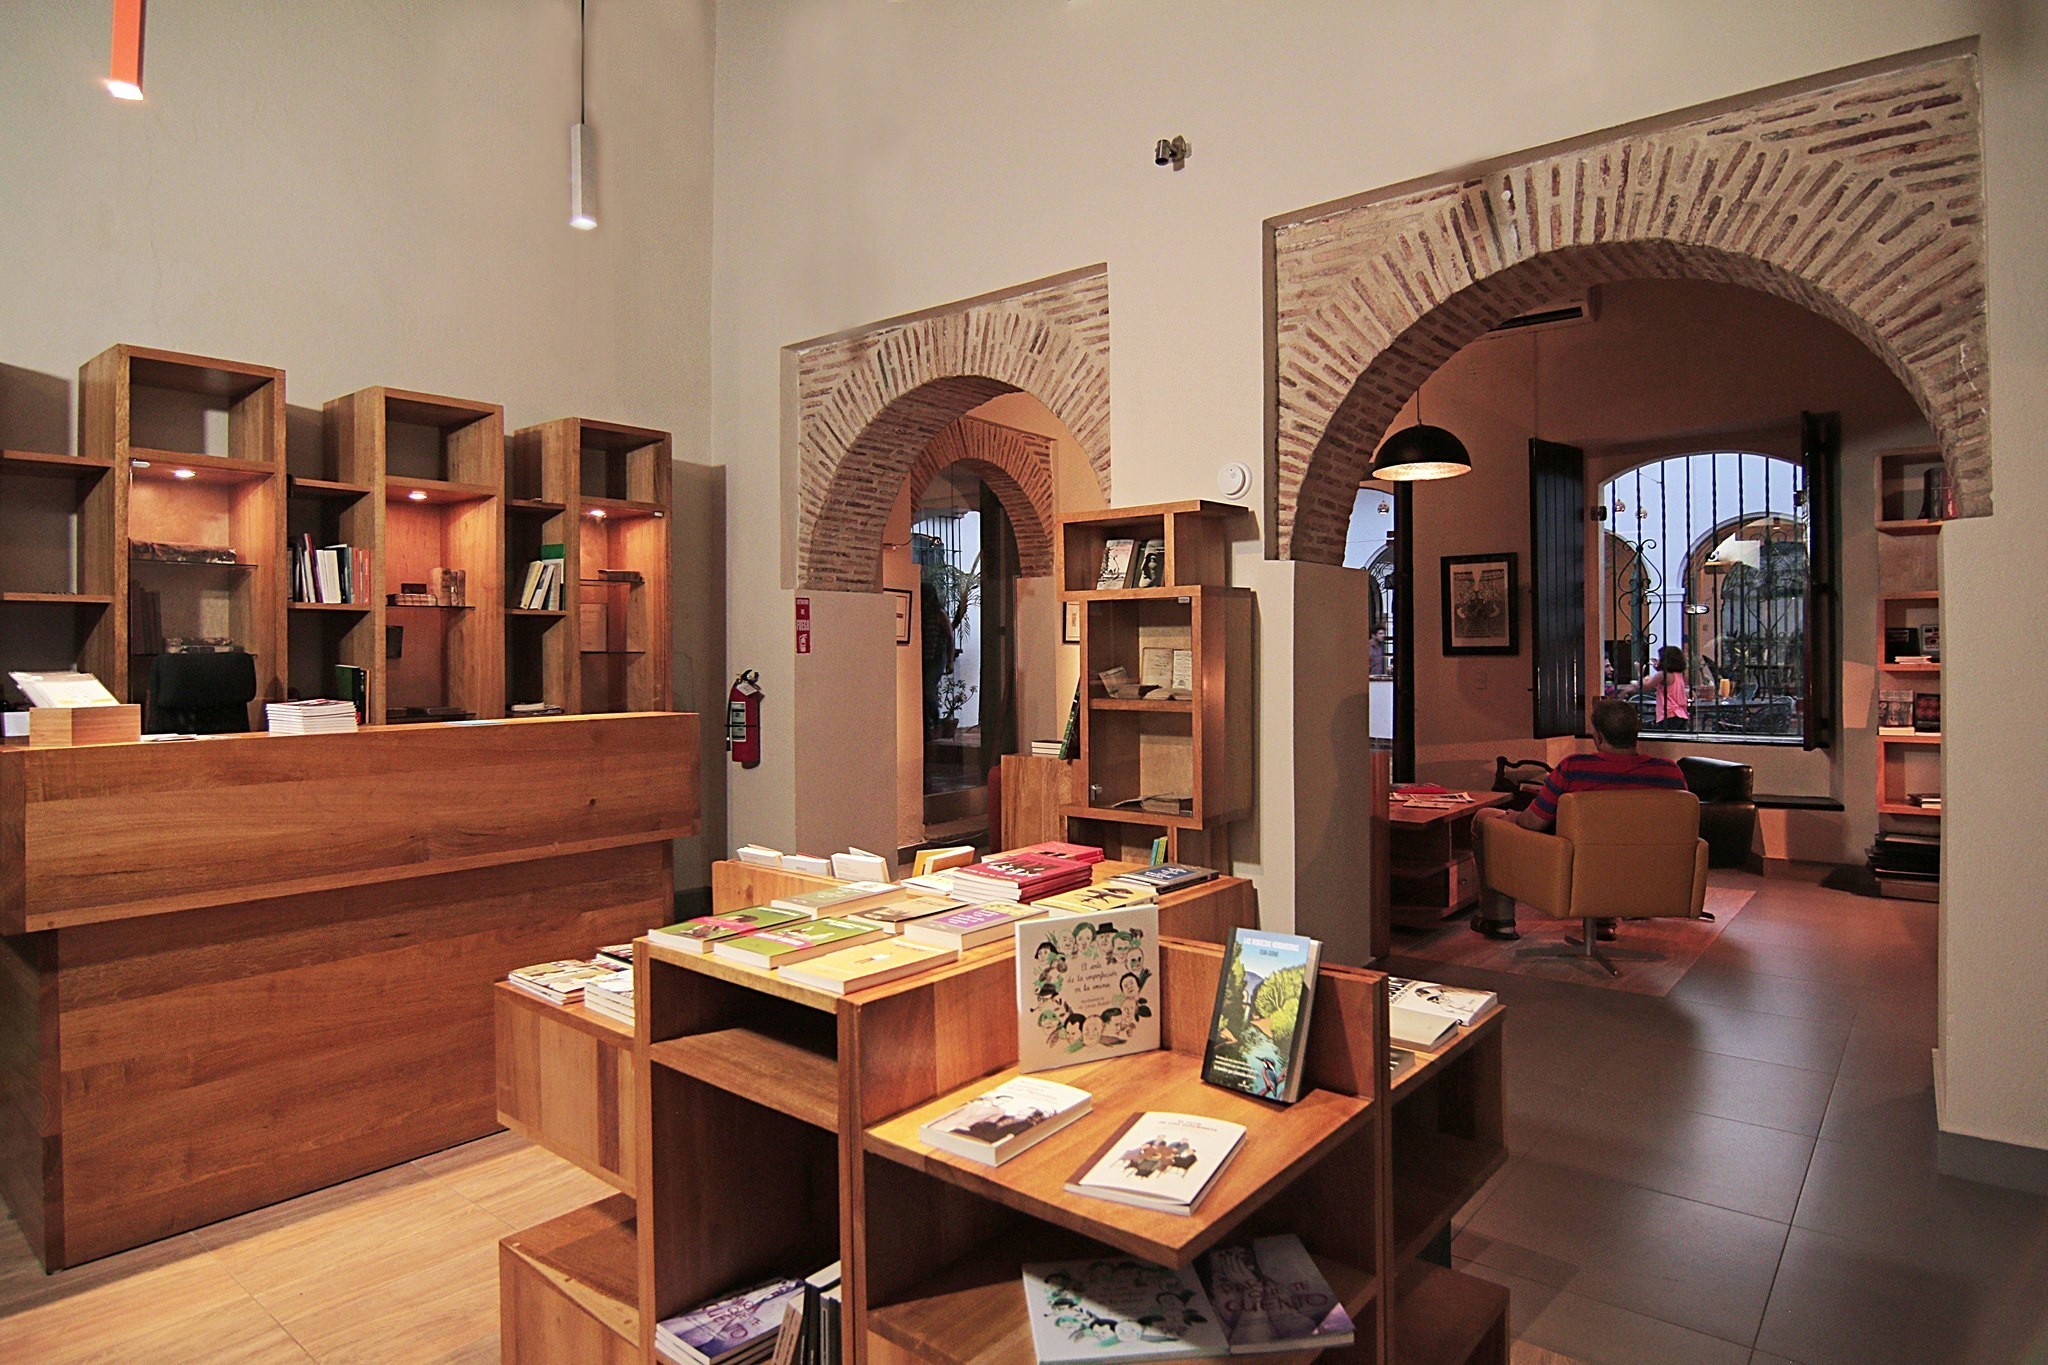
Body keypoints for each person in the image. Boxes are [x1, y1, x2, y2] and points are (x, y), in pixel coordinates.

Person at [1469, 697, 1688, 941]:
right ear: (1636, 733)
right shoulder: (1669, 772)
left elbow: (1533, 822)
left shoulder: (1575, 767)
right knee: (1611, 846)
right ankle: (1604, 918)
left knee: (1485, 817)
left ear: (1598, 736)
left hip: (1579, 871)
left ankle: (1499, 920)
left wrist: (1512, 816)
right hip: (1645, 876)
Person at [1616, 645, 1691, 730]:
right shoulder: (1678, 675)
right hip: (1681, 713)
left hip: (1668, 713)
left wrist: (1640, 672)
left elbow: (1644, 687)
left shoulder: (1663, 674)